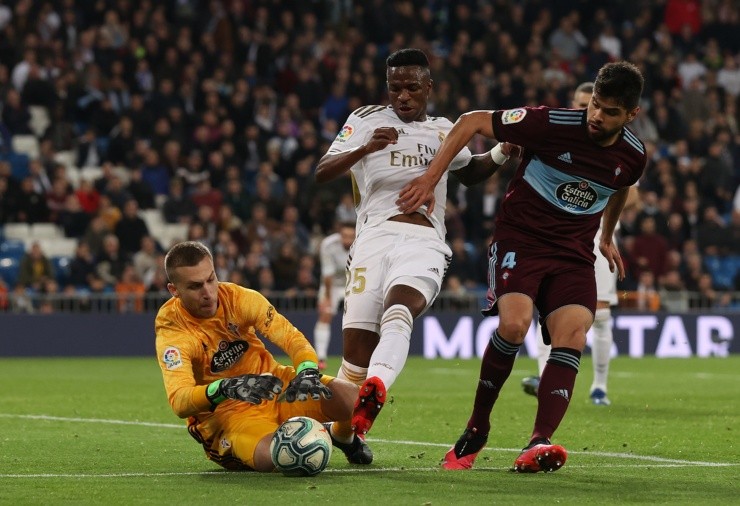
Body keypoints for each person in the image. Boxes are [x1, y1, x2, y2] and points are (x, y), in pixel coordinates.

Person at [398, 61, 646, 473]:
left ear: (632, 115)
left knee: (573, 333)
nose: (597, 116)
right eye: (595, 106)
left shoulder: (632, 155)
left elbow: (620, 186)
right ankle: (477, 427)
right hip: (522, 240)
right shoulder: (550, 123)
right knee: (514, 326)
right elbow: (471, 121)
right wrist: (429, 179)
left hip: (573, 253)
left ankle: (538, 442)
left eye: (609, 112)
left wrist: (607, 234)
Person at [314, 48, 503, 440]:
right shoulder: (364, 120)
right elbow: (321, 172)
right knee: (354, 358)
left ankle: (376, 389)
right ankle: (347, 435)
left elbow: (470, 173)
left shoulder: (444, 129)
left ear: (428, 88)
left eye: (411, 88)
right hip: (372, 239)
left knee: (399, 310)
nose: (402, 96)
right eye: (395, 88)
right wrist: (365, 149)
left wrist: (502, 152)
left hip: (423, 240)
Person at [155, 241, 373, 472]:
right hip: (229, 415)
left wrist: (307, 369)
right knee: (276, 458)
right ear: (174, 290)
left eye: (211, 279)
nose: (208, 293)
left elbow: (290, 337)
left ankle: (341, 436)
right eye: (195, 286)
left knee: (357, 400)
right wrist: (223, 388)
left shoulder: (239, 298)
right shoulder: (173, 330)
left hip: (275, 386)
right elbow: (180, 401)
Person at [520, 82, 641, 406]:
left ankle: (599, 387)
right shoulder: (558, 133)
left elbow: (633, 193)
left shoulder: (621, 148)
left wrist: (593, 203)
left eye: (599, 106)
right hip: (552, 234)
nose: (594, 113)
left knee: (600, 314)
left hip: (596, 235)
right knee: (546, 310)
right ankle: (546, 377)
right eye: (586, 105)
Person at [312, 221, 356, 371]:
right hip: (331, 284)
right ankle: (321, 358)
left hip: (354, 282)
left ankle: (359, 358)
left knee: (359, 318)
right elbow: (328, 274)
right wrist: (328, 298)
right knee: (325, 314)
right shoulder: (328, 245)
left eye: (351, 236)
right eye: (345, 236)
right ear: (339, 234)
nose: (347, 240)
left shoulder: (362, 242)